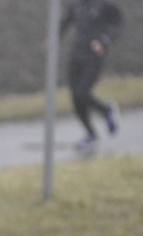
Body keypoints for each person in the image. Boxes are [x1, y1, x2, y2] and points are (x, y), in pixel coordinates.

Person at [59, 0, 124, 153]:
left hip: (94, 56)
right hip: (76, 55)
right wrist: (54, 38)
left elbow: (118, 24)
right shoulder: (76, 5)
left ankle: (106, 111)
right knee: (75, 97)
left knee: (82, 92)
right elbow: (64, 22)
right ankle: (92, 131)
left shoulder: (105, 5)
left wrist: (104, 40)